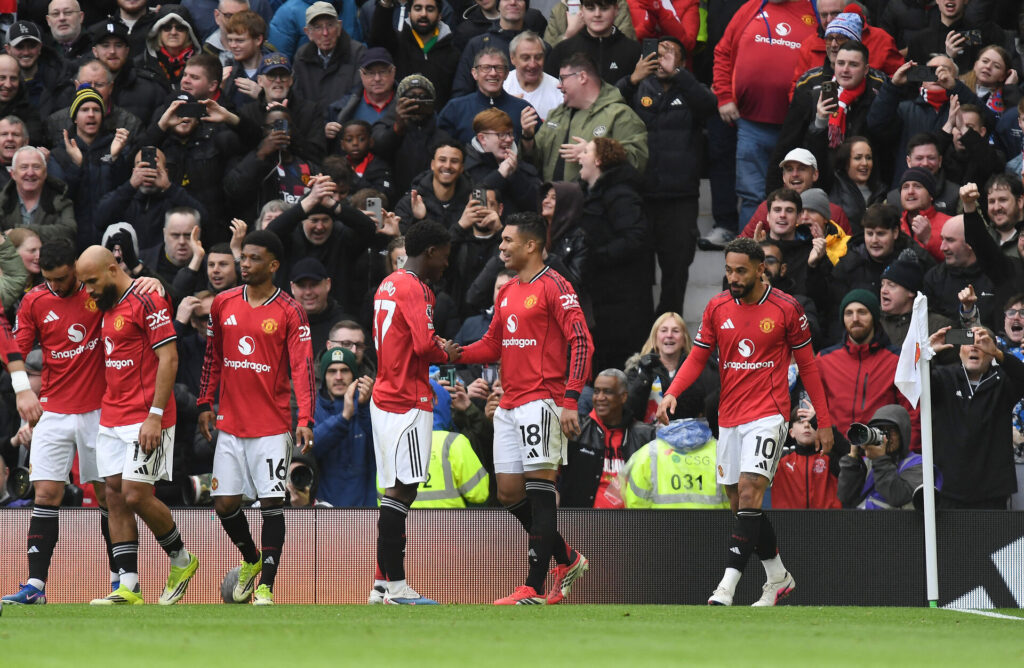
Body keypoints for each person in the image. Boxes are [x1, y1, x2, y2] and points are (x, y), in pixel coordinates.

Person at [657, 237, 834, 607]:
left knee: (752, 490)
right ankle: (778, 577)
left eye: (740, 270)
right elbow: (697, 357)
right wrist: (672, 391)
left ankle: (727, 586)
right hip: (730, 416)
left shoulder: (787, 308)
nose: (733, 277)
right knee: (741, 506)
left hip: (768, 414)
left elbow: (809, 366)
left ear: (760, 269)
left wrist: (825, 420)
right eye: (728, 270)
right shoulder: (717, 307)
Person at [454, 212, 592, 604]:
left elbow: (581, 342)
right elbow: (493, 345)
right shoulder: (508, 291)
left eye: (507, 241)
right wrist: (453, 351)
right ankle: (566, 556)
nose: (501, 247)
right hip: (509, 404)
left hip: (542, 402)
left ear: (531, 245)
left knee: (539, 492)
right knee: (509, 492)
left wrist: (569, 400)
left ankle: (531, 586)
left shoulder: (556, 286)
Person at [197, 230, 315, 605]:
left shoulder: (290, 311)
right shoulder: (223, 303)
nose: (244, 264)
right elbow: (213, 357)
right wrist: (204, 402)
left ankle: (266, 585)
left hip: (271, 425)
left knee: (271, 503)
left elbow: (303, 367)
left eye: (253, 259)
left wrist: (305, 417)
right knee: (225, 504)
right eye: (242, 257)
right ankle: (251, 559)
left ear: (273, 265)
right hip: (230, 423)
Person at [75, 245, 197, 606]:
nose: (89, 290)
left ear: (113, 268)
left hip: (147, 416)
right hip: (112, 414)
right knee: (113, 494)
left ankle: (181, 559)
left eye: (93, 281)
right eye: (84, 284)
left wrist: (155, 415)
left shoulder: (148, 300)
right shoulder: (106, 302)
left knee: (135, 493)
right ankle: (127, 586)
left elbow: (169, 358)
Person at [369, 220, 456, 605]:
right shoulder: (417, 288)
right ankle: (397, 587)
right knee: (402, 491)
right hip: (408, 397)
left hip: (384, 393)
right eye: (446, 257)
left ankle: (380, 585)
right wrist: (448, 352)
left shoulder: (388, 282)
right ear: (432, 252)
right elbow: (423, 346)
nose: (447, 265)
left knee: (393, 490)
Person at [619, 35, 716, 315]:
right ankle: (642, 332)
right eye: (657, 54)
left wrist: (680, 75)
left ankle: (668, 326)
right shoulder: (637, 87)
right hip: (640, 194)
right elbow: (606, 103)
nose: (662, 59)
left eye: (670, 54)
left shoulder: (690, 89)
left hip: (680, 197)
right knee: (638, 269)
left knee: (676, 268)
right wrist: (632, 80)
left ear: (683, 63)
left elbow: (709, 106)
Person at [712, 0, 818, 228]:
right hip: (751, 124)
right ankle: (749, 256)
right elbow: (723, 51)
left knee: (798, 197)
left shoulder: (815, 9)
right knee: (751, 195)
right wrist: (724, 96)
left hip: (796, 128)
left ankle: (790, 257)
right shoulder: (752, 7)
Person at [577, 137, 653, 370]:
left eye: (586, 152)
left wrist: (596, 257)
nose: (580, 156)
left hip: (623, 299)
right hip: (603, 294)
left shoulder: (621, 194)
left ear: (599, 160)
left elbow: (634, 237)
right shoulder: (591, 193)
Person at [927, 325, 1023, 509]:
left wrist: (999, 354)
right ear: (959, 350)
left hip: (992, 492)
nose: (974, 347)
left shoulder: (1003, 382)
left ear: (992, 351)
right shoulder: (943, 377)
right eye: (968, 341)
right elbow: (912, 383)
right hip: (948, 489)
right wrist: (927, 352)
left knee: (992, 539)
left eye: (982, 343)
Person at [816, 289, 919, 449]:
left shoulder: (898, 360)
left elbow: (912, 413)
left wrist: (907, 456)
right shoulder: (824, 360)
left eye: (862, 312)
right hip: (836, 456)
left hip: (882, 453)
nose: (855, 319)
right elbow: (815, 409)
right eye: (849, 313)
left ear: (874, 317)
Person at [524, 52, 648, 183]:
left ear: (582, 77)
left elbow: (636, 162)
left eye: (563, 79)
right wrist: (527, 138)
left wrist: (594, 153)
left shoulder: (620, 115)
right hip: (553, 199)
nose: (559, 85)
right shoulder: (556, 115)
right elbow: (534, 161)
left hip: (596, 202)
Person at [560, 368, 655, 508]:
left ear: (623, 397)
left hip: (631, 523)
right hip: (581, 522)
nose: (600, 397)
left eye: (607, 392)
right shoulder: (575, 429)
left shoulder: (645, 436)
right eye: (597, 391)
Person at [625, 312, 718, 424]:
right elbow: (628, 410)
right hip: (649, 438)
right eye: (664, 330)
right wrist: (644, 376)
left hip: (691, 436)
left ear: (684, 339)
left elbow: (713, 405)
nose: (669, 335)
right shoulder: (637, 369)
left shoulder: (700, 370)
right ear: (655, 338)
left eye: (675, 331)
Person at [313, 346, 375, 507]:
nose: (338, 377)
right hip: (326, 508)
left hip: (366, 509)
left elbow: (382, 447)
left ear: (354, 375)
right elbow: (310, 448)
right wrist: (344, 417)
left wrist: (363, 408)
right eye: (332, 371)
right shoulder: (313, 408)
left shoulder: (370, 405)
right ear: (324, 376)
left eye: (345, 370)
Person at [621, 418, 730, 509]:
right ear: (701, 413)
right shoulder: (721, 452)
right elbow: (733, 502)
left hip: (659, 532)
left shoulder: (647, 454)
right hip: (713, 532)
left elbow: (635, 506)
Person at [370, 0, 460, 107]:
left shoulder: (452, 53)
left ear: (439, 15)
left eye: (430, 9)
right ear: (409, 14)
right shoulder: (397, 42)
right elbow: (378, 40)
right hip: (398, 116)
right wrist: (385, 4)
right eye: (418, 8)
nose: (423, 14)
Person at [438, 47, 533, 145]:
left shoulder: (523, 110)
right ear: (474, 73)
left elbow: (539, 155)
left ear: (506, 74)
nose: (493, 73)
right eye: (486, 68)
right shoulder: (456, 109)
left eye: (499, 68)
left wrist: (528, 136)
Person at [837, 404, 923, 509]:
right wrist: (853, 458)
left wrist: (880, 460)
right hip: (861, 523)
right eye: (880, 430)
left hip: (899, 524)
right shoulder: (867, 462)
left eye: (890, 431)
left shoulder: (919, 464)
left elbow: (897, 497)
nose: (885, 437)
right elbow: (845, 497)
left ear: (903, 433)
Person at [291, 1, 365, 116]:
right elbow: (298, 98)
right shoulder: (301, 56)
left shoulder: (357, 53)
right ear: (308, 33)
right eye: (318, 27)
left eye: (330, 25)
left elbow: (356, 95)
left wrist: (332, 119)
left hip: (346, 125)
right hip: (313, 126)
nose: (325, 33)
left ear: (339, 27)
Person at [546, 0, 641, 85]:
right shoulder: (563, 49)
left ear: (616, 9)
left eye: (604, 8)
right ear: (581, 10)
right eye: (591, 9)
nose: (597, 14)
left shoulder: (633, 50)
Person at [0, 146, 76, 245]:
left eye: (36, 167)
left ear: (45, 173)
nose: (30, 173)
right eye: (24, 167)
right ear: (13, 174)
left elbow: (69, 231)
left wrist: (18, 231)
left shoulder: (61, 199)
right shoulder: (2, 201)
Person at [771, 407, 840, 509]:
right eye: (800, 422)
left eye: (811, 422)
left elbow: (849, 453)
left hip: (827, 523)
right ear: (791, 432)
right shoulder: (779, 460)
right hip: (786, 523)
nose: (807, 425)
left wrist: (820, 423)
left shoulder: (830, 458)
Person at [503, 31, 563, 122]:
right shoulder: (502, 86)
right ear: (512, 58)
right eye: (525, 58)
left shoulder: (558, 90)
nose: (532, 64)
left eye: (538, 57)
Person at [829, 136, 886, 230]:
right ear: (845, 162)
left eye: (868, 158)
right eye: (858, 158)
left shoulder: (881, 192)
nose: (865, 163)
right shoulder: (833, 185)